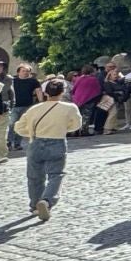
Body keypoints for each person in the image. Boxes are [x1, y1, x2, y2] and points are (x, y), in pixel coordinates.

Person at [16, 78, 80, 220]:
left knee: (34, 176)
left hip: (36, 142)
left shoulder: (34, 109)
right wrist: (63, 128)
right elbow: (76, 125)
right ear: (62, 92)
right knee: (56, 175)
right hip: (57, 141)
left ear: (45, 93)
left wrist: (31, 133)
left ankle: (35, 206)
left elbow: (19, 127)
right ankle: (46, 200)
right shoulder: (70, 107)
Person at [6, 64, 41, 153]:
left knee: (22, 125)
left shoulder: (33, 81)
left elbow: (38, 91)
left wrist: (41, 103)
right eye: (23, 71)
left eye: (27, 71)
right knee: (12, 124)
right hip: (14, 106)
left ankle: (17, 144)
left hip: (27, 106)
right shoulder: (13, 80)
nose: (25, 73)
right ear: (18, 72)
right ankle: (8, 143)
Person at [71, 65, 104, 134]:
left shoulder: (79, 79)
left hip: (77, 99)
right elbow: (98, 89)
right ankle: (84, 131)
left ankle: (75, 131)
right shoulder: (93, 79)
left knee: (78, 115)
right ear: (91, 71)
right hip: (89, 100)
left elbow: (74, 89)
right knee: (86, 116)